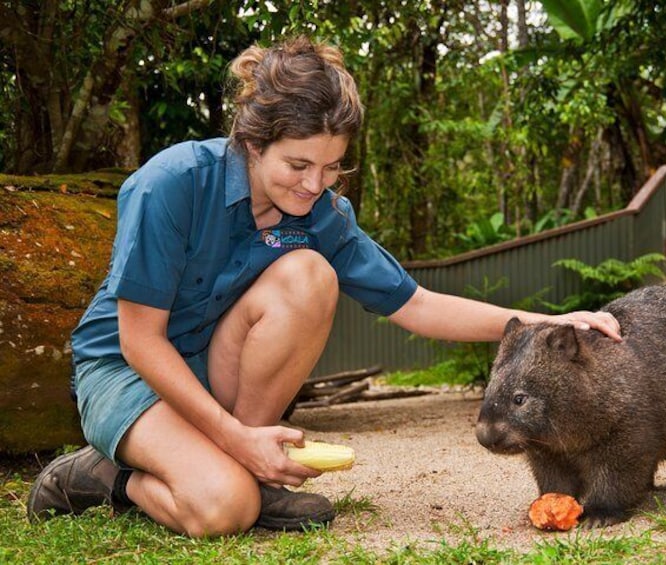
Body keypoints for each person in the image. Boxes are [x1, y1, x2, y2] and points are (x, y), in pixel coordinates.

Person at [27, 36, 621, 537]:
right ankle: (102, 476)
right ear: (253, 143)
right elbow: (141, 342)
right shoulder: (171, 184)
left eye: (332, 166)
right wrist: (233, 435)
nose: (315, 184)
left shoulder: (321, 216)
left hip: (213, 363)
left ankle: (251, 470)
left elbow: (417, 304)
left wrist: (550, 326)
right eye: (298, 165)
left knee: (311, 273)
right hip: (126, 371)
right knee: (222, 510)